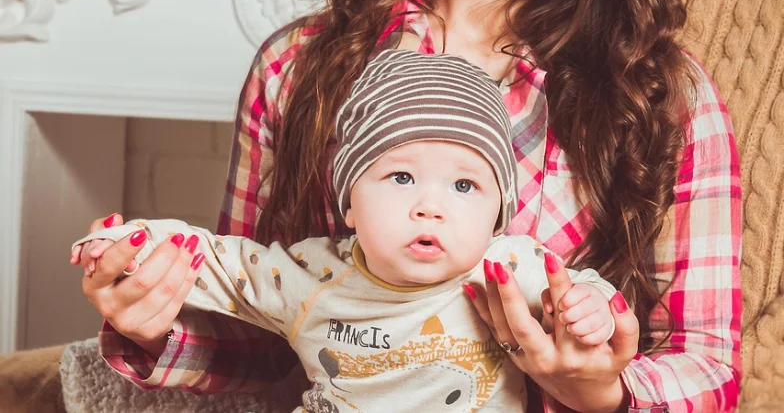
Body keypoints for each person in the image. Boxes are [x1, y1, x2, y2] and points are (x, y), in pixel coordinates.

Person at [71, 0, 742, 411]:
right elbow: (268, 329)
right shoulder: (297, 70)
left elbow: (707, 366)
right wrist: (153, 320)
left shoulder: (663, 97)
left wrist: (598, 392)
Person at [73, 50, 618, 411]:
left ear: (498, 212)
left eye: (465, 187)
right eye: (400, 176)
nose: (431, 207)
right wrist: (132, 245)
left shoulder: (507, 269)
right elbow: (216, 259)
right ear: (350, 204)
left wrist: (591, 307)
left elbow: (581, 293)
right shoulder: (310, 273)